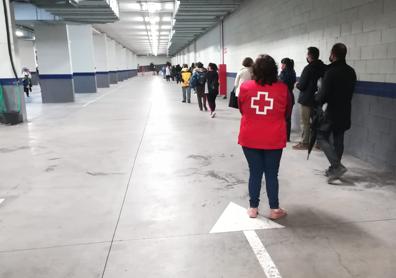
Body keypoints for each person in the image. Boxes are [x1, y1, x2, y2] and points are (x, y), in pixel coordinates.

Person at [238, 54, 292, 220]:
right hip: (273, 138)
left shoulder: (246, 87)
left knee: (254, 172)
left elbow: (241, 108)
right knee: (271, 173)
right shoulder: (283, 89)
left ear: (255, 70)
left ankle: (253, 208)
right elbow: (287, 112)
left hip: (250, 137)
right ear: (274, 70)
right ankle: (275, 209)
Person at [315, 43, 357, 183]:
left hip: (331, 111)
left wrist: (317, 96)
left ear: (333, 54)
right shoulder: (351, 71)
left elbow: (323, 95)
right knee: (339, 139)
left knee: (321, 136)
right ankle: (334, 169)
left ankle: (337, 166)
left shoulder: (331, 72)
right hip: (345, 110)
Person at [293, 47, 327, 150]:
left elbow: (302, 85)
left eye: (307, 55)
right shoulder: (325, 68)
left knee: (305, 121)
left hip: (307, 99)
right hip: (319, 99)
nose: (306, 57)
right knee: (317, 121)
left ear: (310, 56)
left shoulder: (308, 68)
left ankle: (305, 143)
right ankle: (319, 143)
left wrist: (297, 84)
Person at [279, 58, 297, 142]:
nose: (281, 66)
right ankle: (286, 137)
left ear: (285, 65)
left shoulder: (284, 73)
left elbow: (280, 84)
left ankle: (282, 136)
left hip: (284, 96)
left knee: (282, 117)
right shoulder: (292, 72)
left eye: (282, 64)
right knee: (288, 118)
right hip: (290, 96)